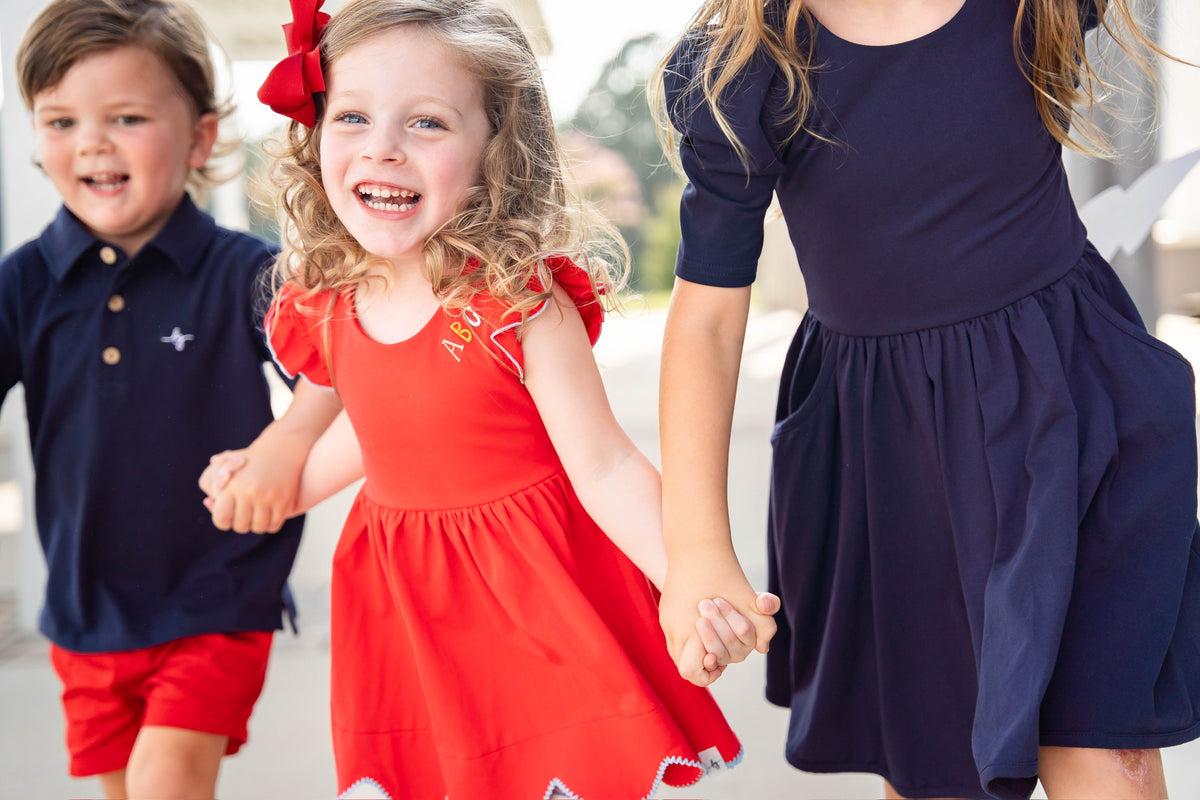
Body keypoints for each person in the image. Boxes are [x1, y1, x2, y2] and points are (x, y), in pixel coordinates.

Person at [198, 1, 750, 797]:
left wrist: (689, 579)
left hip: (536, 591)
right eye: (352, 115)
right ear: (317, 135)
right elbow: (371, 428)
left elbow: (604, 467)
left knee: (552, 769)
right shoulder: (329, 294)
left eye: (426, 123)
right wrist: (272, 476)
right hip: (406, 602)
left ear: (498, 150)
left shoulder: (518, 302)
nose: (382, 148)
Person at [652, 0, 1200, 798]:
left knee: (1104, 750)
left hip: (1075, 407)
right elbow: (706, 321)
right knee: (940, 773)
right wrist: (696, 548)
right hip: (895, 459)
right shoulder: (743, 65)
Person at [0, 1, 305, 797]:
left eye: (126, 116)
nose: (91, 142)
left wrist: (283, 450)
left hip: (217, 587)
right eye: (59, 120)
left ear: (203, 137)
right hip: (85, 603)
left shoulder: (247, 272)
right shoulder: (25, 282)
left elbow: (340, 376)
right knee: (123, 786)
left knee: (167, 780)